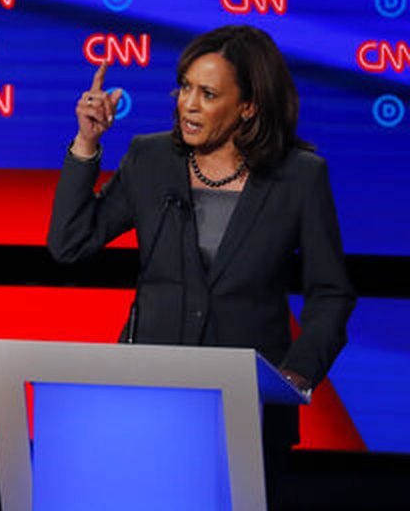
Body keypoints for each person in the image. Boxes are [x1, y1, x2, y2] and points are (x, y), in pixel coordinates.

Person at [47, 25, 355, 504]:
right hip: (152, 401)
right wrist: (87, 143)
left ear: (248, 105)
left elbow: (331, 292)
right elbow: (69, 243)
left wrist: (296, 374)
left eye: (207, 93)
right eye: (184, 87)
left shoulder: (299, 177)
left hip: (249, 412)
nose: (188, 104)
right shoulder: (150, 159)